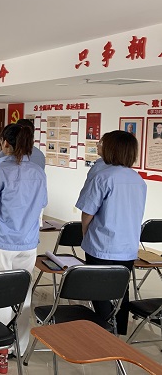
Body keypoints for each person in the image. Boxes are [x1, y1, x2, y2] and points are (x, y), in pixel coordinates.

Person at [0, 123, 47, 355]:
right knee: (23, 293)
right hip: (28, 241)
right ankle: (19, 345)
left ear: (5, 143)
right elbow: (40, 208)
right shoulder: (38, 172)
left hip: (2, 241)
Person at [76, 130, 147, 335]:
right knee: (121, 288)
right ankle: (119, 331)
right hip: (128, 245)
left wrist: (85, 232)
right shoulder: (138, 179)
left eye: (103, 143)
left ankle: (104, 332)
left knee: (98, 290)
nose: (99, 145)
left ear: (111, 149)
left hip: (102, 244)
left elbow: (88, 211)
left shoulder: (103, 176)